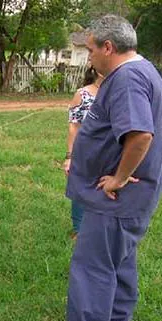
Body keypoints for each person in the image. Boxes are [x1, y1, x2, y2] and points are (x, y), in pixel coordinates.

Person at [55, 15, 162, 321]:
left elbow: (141, 134)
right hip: (137, 194)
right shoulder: (144, 70)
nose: (89, 57)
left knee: (93, 263)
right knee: (121, 256)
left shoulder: (128, 78)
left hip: (120, 196)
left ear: (108, 47)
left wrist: (117, 178)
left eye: (90, 50)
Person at [63, 67, 103, 239]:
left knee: (103, 189)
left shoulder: (119, 92)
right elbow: (74, 126)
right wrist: (70, 156)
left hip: (109, 153)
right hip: (84, 152)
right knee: (80, 189)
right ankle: (79, 229)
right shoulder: (83, 94)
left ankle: (99, 227)